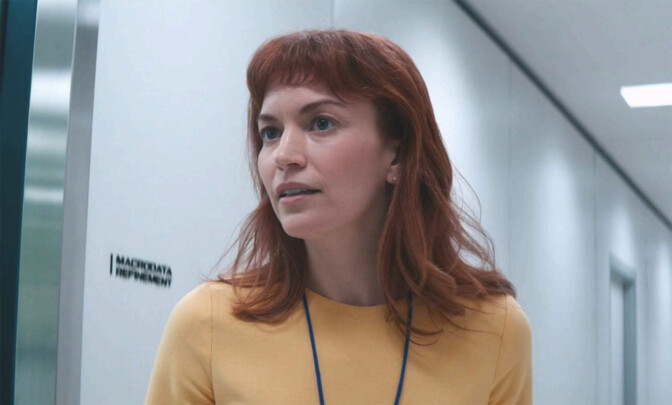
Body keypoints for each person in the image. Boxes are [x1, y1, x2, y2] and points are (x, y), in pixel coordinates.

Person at [145, 29, 532, 404]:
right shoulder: (207, 325)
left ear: (397, 155)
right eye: (270, 132)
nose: (284, 155)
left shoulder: (494, 330)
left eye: (321, 123)